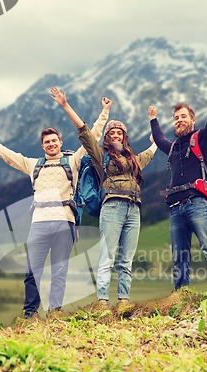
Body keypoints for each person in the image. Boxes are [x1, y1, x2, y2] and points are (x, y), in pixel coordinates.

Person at [0, 97, 112, 318]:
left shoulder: (72, 161)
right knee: (32, 271)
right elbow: (7, 155)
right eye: (47, 142)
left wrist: (104, 111)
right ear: (42, 146)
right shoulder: (33, 165)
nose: (51, 144)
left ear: (60, 141)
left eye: (54, 141)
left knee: (59, 270)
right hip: (38, 223)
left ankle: (55, 311)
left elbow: (92, 136)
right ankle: (30, 313)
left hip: (64, 222)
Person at [50, 86, 157, 307]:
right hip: (112, 207)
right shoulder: (101, 156)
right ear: (107, 137)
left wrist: (156, 137)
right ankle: (102, 302)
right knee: (107, 256)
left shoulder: (135, 160)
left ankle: (124, 301)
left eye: (119, 133)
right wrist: (65, 105)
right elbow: (85, 132)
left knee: (126, 259)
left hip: (133, 208)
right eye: (112, 133)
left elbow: (151, 152)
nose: (116, 135)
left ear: (125, 137)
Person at [149, 63, 207, 290]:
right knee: (179, 258)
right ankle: (180, 296)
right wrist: (153, 118)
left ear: (192, 121)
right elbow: (159, 137)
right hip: (175, 209)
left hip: (199, 204)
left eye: (183, 116)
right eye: (176, 118)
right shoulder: (172, 148)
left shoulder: (203, 139)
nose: (179, 120)